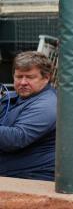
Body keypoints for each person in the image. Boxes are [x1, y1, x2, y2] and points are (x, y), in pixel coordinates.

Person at [0, 51, 56, 181]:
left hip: (32, 177)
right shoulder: (14, 97)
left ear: (46, 78)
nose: (23, 82)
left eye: (30, 77)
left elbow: (17, 138)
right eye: (19, 77)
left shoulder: (47, 104)